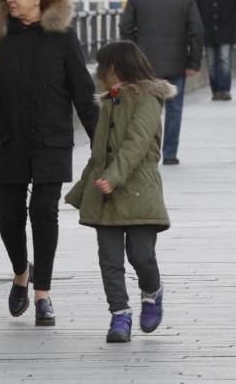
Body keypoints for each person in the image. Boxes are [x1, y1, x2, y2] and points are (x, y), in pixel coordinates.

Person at [0, 0, 98, 327]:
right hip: (8, 139)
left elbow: (83, 91)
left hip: (50, 140)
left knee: (45, 214)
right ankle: (20, 272)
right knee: (9, 217)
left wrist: (100, 141)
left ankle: (43, 292)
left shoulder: (63, 36)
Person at [64, 41, 173, 344]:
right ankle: (120, 314)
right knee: (110, 259)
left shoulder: (148, 100)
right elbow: (99, 154)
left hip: (139, 191)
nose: (99, 74)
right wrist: (81, 191)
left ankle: (152, 293)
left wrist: (114, 177)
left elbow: (136, 144)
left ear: (117, 68)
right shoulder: (109, 102)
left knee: (141, 255)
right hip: (106, 196)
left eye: (103, 67)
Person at [120, 0, 204, 165]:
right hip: (176, 62)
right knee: (174, 110)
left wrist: (134, 54)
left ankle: (148, 152)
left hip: (144, 64)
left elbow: (125, 28)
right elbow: (197, 31)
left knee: (146, 110)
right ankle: (169, 154)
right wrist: (193, 62)